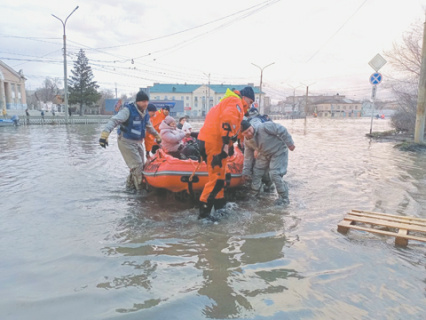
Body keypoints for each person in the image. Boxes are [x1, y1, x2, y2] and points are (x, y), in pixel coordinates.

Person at [197, 86, 254, 220]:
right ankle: (203, 215)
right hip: (214, 144)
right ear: (245, 98)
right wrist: (225, 144)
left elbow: (229, 124)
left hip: (210, 141)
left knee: (221, 176)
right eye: (250, 103)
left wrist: (230, 144)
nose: (249, 106)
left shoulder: (228, 101)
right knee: (216, 180)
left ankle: (219, 207)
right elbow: (228, 120)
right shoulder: (235, 102)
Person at [99, 90, 162, 190]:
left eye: (147, 101)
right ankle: (140, 191)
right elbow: (114, 120)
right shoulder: (128, 110)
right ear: (138, 102)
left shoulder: (145, 113)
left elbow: (149, 127)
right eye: (143, 101)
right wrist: (104, 135)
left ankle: (130, 187)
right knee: (137, 165)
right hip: (126, 141)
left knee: (141, 165)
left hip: (138, 142)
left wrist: (157, 136)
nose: (146, 104)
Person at [241, 120, 295, 206]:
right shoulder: (247, 142)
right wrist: (246, 171)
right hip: (264, 153)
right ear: (242, 134)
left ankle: (284, 198)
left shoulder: (264, 127)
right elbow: (248, 157)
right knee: (257, 172)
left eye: (249, 130)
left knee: (275, 173)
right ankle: (254, 194)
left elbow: (281, 129)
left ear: (251, 126)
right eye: (245, 133)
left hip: (278, 151)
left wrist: (290, 143)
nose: (249, 133)